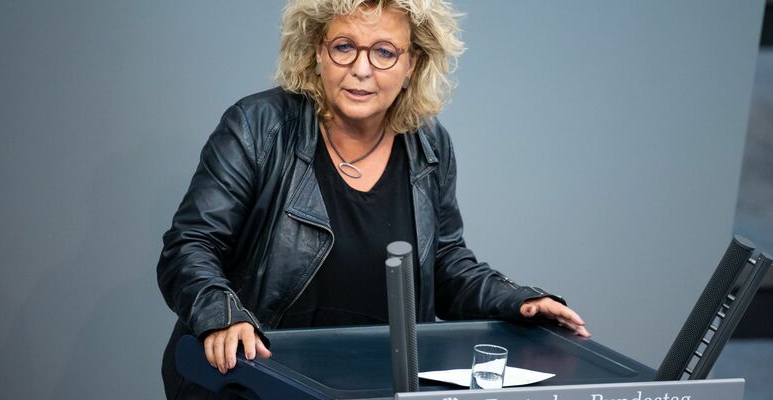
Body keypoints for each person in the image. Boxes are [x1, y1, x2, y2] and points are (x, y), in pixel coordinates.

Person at [157, 0, 590, 398]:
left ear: (411, 64)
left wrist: (516, 299)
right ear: (317, 53)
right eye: (344, 47)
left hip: (374, 387)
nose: (361, 69)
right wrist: (224, 315)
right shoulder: (258, 126)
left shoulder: (429, 145)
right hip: (256, 380)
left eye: (384, 52)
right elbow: (190, 246)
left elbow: (444, 263)